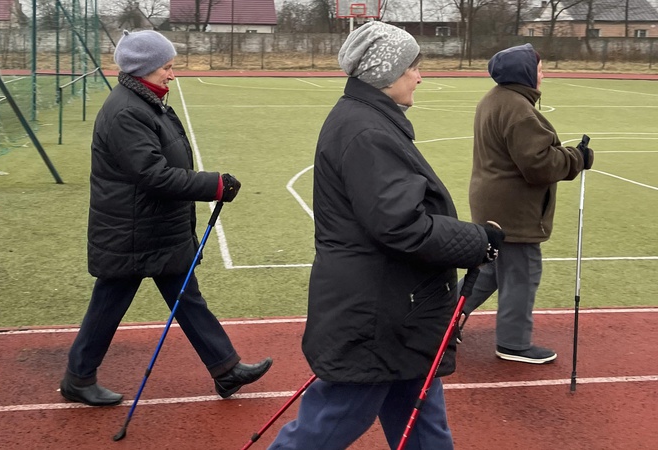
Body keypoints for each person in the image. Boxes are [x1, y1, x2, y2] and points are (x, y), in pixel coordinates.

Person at [268, 22, 505, 449]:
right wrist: (476, 241)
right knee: (329, 424)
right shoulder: (367, 131)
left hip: (398, 310)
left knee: (423, 426)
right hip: (377, 314)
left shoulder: (369, 121)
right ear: (388, 71)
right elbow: (400, 224)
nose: (420, 75)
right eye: (414, 66)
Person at [59, 30, 272, 407]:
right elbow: (152, 175)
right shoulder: (127, 110)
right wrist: (214, 185)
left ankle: (225, 370)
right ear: (143, 69)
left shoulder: (145, 101)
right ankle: (78, 378)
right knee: (109, 303)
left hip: (153, 227)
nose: (172, 74)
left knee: (187, 297)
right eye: (166, 67)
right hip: (133, 231)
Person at [456, 43, 594, 364]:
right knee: (521, 273)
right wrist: (577, 158)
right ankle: (513, 342)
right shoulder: (518, 109)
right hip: (513, 211)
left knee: (490, 269)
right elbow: (538, 165)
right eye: (540, 68)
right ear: (526, 73)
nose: (543, 74)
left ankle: (439, 321)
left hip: (492, 203)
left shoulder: (495, 99)